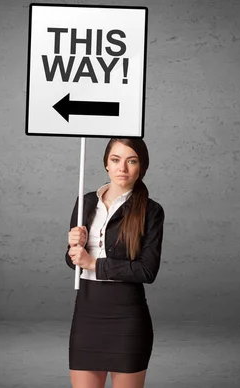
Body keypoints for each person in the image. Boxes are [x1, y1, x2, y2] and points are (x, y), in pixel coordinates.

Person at [65, 138, 165, 388]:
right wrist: (73, 248)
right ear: (106, 164)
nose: (123, 168)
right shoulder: (86, 202)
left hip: (128, 317)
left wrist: (93, 263)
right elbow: (74, 263)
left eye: (132, 161)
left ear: (141, 167)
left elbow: (147, 270)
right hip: (87, 313)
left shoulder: (151, 211)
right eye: (116, 160)